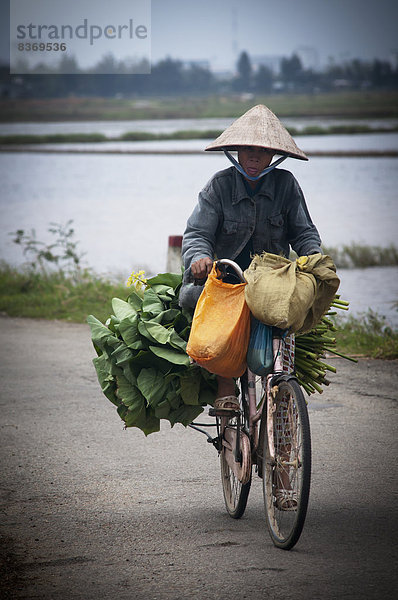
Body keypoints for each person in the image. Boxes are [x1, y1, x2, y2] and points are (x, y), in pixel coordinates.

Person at [179, 104, 322, 414]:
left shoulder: (286, 186)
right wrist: (200, 258)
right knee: (214, 309)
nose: (255, 157)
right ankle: (226, 387)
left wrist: (314, 259)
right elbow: (196, 234)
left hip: (272, 283)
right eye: (248, 150)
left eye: (262, 150)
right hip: (230, 281)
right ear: (237, 152)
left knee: (284, 329)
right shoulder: (219, 186)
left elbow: (304, 233)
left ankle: (281, 407)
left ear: (272, 156)